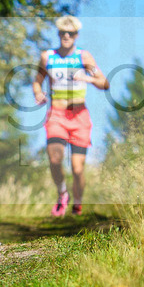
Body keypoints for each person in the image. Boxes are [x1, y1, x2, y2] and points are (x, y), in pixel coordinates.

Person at [33, 16, 109, 216]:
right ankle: (62, 194)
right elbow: (37, 81)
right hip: (57, 115)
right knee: (55, 158)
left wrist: (87, 77)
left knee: (77, 169)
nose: (66, 36)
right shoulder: (47, 57)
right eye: (62, 33)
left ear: (76, 35)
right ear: (58, 34)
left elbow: (104, 83)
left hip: (80, 117)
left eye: (71, 33)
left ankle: (78, 203)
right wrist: (38, 93)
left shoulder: (83, 57)